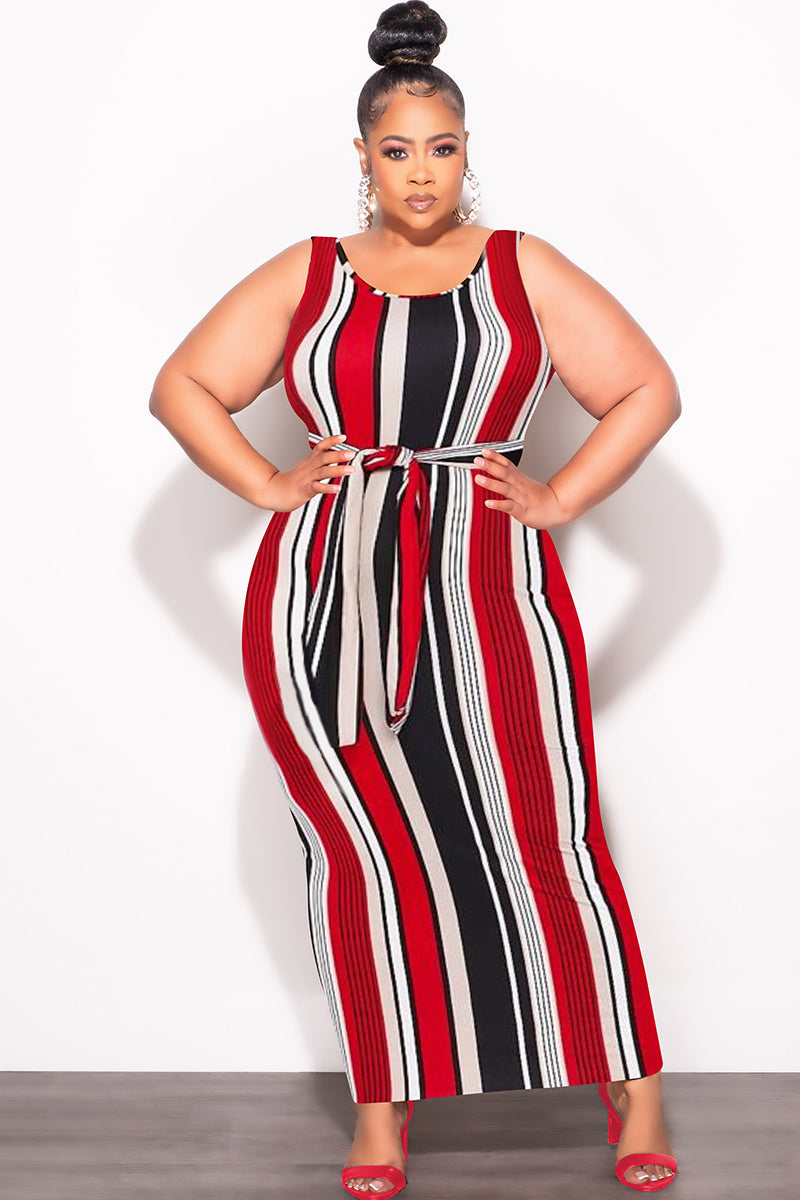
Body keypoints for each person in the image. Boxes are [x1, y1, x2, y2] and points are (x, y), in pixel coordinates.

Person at [149, 2, 682, 1194]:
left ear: (465, 148)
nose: (421, 172)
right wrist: (271, 485)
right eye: (397, 151)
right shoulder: (307, 274)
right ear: (363, 158)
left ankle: (633, 1088)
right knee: (362, 850)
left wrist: (558, 497)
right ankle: (382, 1111)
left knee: (545, 829)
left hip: (489, 584)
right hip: (326, 599)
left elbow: (645, 387)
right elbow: (182, 384)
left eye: (440, 148)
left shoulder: (521, 266)